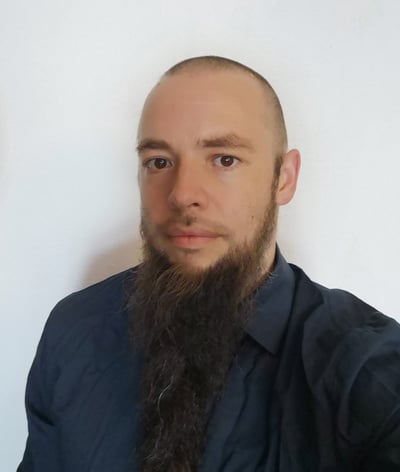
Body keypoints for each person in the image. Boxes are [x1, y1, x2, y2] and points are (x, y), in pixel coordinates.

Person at [18, 56, 400, 472]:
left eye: (224, 159)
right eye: (159, 162)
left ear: (284, 178)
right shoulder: (73, 330)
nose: (182, 194)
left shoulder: (364, 371)